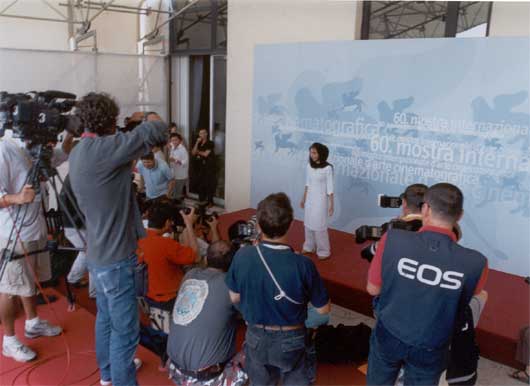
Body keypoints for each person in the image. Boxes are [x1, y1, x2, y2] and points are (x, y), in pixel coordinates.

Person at [69, 93, 168, 386]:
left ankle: (108, 375)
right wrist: (146, 116)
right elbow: (158, 130)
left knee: (106, 319)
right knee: (126, 332)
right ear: (110, 121)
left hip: (97, 254)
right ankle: (120, 379)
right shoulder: (106, 149)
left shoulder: (79, 150)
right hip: (116, 258)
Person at [366, 183, 489, 386]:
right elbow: (469, 298)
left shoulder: (392, 239)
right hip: (433, 345)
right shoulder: (477, 263)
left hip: (389, 333)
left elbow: (373, 289)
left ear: (425, 209)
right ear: (460, 216)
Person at [226, 192, 331, 386]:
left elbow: (234, 297)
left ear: (258, 225)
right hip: (292, 338)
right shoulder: (303, 264)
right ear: (291, 224)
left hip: (256, 336)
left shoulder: (242, 256)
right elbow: (324, 310)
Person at [0, 139, 65, 362]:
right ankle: (8, 340)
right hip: (13, 232)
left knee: (30, 282)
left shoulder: (34, 148)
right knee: (10, 287)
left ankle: (33, 323)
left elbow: (62, 153)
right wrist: (17, 198)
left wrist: (72, 130)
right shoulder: (4, 149)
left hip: (35, 228)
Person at [167, 240, 247, 386]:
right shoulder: (230, 284)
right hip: (207, 376)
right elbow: (252, 315)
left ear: (206, 258)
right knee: (257, 348)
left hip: (174, 367)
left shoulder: (190, 274)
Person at [138, 204, 200, 305]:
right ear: (167, 222)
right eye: (171, 221)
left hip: (145, 296)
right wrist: (189, 224)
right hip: (169, 298)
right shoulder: (166, 244)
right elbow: (196, 256)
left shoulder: (139, 238)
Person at [60, 174, 95, 297]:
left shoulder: (72, 175)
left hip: (72, 223)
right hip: (75, 224)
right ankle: (94, 291)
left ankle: (73, 278)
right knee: (92, 252)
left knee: (86, 252)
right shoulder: (78, 176)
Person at [301, 142, 334, 260]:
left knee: (319, 225)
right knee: (308, 223)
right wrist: (303, 198)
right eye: (311, 152)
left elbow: (330, 188)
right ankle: (309, 246)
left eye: (314, 152)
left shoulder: (328, 168)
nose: (312, 155)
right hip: (310, 198)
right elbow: (307, 183)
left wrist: (331, 205)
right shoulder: (309, 166)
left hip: (321, 201)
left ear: (321, 153)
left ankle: (324, 251)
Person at [191, 128, 216, 206]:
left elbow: (206, 154)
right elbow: (193, 153)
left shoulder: (210, 143)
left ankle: (210, 202)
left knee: (209, 184)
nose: (201, 135)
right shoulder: (198, 143)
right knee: (200, 184)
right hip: (200, 166)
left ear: (206, 134)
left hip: (208, 166)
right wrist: (197, 143)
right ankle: (201, 200)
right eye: (200, 133)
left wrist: (198, 152)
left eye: (203, 133)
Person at [168, 133, 189, 201]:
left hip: (180, 176)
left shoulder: (183, 149)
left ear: (180, 140)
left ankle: (180, 209)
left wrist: (175, 160)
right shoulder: (173, 148)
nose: (174, 142)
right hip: (174, 174)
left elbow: (185, 163)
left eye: (175, 140)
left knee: (177, 195)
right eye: (172, 140)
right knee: (174, 193)